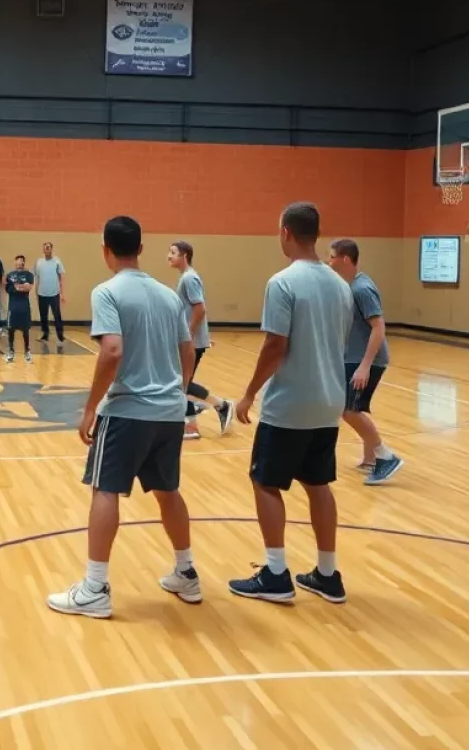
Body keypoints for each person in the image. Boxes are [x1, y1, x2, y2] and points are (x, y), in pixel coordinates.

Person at [47, 216, 200, 619]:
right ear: (141, 248)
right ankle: (186, 572)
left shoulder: (107, 292)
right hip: (169, 412)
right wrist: (178, 393)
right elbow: (188, 351)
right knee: (168, 491)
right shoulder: (169, 296)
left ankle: (95, 587)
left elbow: (112, 351)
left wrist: (91, 406)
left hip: (128, 411)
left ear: (105, 249)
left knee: (105, 489)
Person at [230, 202, 352, 605]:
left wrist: (249, 392)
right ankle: (328, 575)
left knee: (265, 481)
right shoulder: (340, 285)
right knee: (319, 484)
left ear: (285, 232)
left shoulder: (282, 282)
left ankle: (276, 574)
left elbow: (275, 344)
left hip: (290, 405)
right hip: (329, 401)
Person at [328, 239, 404, 485]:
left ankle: (386, 457)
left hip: (366, 360)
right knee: (353, 407)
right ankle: (370, 458)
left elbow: (378, 327)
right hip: (353, 357)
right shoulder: (350, 286)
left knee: (347, 409)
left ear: (346, 259)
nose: (329, 262)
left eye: (332, 257)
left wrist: (365, 365)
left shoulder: (362, 289)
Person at [167, 240, 234, 439]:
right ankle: (194, 423)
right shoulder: (186, 278)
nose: (169, 256)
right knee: (182, 383)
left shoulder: (189, 278)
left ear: (185, 255)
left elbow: (200, 308)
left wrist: (188, 335)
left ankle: (219, 405)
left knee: (182, 383)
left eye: (173, 252)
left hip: (191, 342)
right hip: (191, 340)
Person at [34, 241, 66, 348]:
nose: (47, 249)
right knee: (43, 316)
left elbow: (61, 278)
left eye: (48, 247)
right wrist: (36, 293)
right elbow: (37, 278)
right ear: (43, 250)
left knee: (57, 315)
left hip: (54, 294)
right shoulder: (39, 262)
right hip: (42, 293)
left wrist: (62, 293)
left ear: (51, 249)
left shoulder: (57, 261)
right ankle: (45, 335)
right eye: (45, 248)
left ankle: (60, 336)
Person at [4, 254, 35, 363]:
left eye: (21, 261)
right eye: (17, 261)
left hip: (24, 306)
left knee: (25, 330)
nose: (19, 263)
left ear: (23, 263)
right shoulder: (10, 275)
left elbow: (29, 287)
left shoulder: (29, 275)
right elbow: (8, 288)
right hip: (13, 307)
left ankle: (27, 351)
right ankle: (11, 351)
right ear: (15, 262)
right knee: (10, 329)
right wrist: (19, 287)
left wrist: (19, 287)